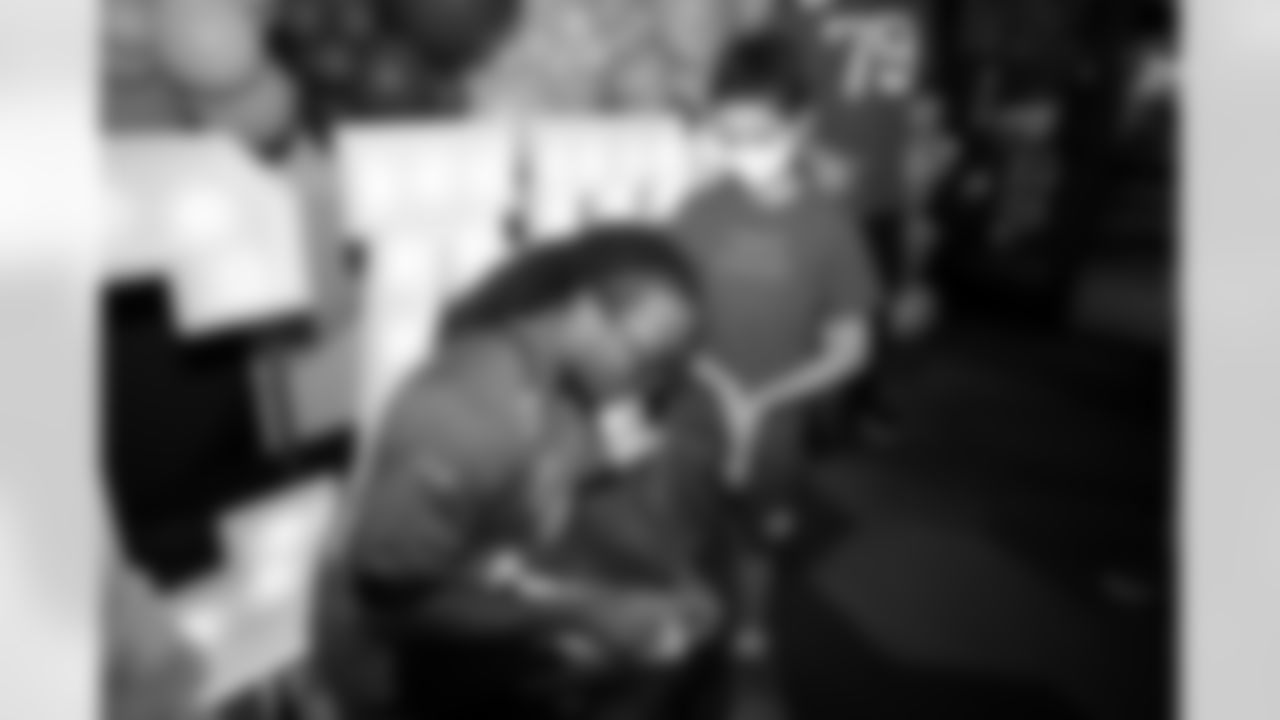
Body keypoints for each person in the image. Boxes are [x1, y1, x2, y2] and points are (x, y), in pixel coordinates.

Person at [308, 225, 723, 720]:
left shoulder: (568, 390)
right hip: (401, 673)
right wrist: (585, 613)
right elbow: (391, 603)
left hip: (481, 624)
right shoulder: (465, 415)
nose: (646, 384)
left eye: (665, 368)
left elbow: (558, 497)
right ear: (584, 309)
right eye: (645, 360)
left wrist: (658, 585)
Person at [670, 29, 881, 679]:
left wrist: (762, 400)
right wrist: (718, 385)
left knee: (758, 541)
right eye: (727, 137)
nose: (742, 154)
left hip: (775, 432)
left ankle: (753, 625)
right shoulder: (699, 210)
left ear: (799, 127)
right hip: (690, 417)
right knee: (680, 534)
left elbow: (852, 349)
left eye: (758, 137)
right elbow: (670, 318)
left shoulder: (829, 227)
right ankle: (680, 621)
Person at [783, 0, 934, 444]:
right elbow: (776, 87)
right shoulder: (800, 10)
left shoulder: (913, 9)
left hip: (886, 183)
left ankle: (859, 398)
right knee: (812, 306)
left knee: (872, 303)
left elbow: (912, 99)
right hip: (816, 186)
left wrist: (920, 175)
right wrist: (808, 153)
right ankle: (806, 409)